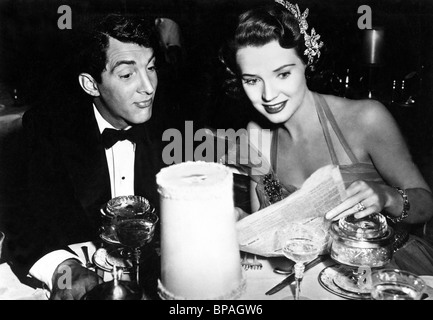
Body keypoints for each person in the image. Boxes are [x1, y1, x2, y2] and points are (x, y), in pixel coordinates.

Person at [219, 1, 433, 274]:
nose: (268, 95)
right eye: (252, 80)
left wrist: (386, 196)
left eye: (283, 74)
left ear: (306, 62)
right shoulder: (255, 134)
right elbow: (267, 230)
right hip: (312, 274)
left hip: (388, 267)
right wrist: (239, 222)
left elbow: (426, 204)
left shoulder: (365, 119)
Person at [8, 13, 165, 299]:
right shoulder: (49, 129)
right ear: (91, 84)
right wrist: (61, 267)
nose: (149, 86)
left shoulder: (177, 125)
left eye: (151, 67)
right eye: (128, 74)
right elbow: (19, 211)